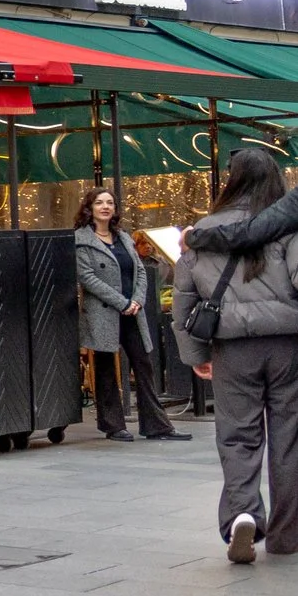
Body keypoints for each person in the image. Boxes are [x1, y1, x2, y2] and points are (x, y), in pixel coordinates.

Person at [172, 148, 298, 563]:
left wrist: (195, 355)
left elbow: (184, 301)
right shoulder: (289, 226)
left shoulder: (200, 231)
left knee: (237, 436)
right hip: (287, 345)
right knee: (290, 438)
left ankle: (242, 515)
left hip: (231, 348)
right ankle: (286, 535)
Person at [75, 189, 181, 442]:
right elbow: (87, 278)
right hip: (104, 313)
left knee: (144, 365)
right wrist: (121, 302)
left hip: (132, 311)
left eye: (110, 203)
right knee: (105, 369)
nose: (105, 207)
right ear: (89, 208)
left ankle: (156, 425)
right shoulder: (81, 240)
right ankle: (113, 425)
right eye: (99, 202)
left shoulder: (123, 237)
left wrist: (137, 300)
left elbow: (140, 271)